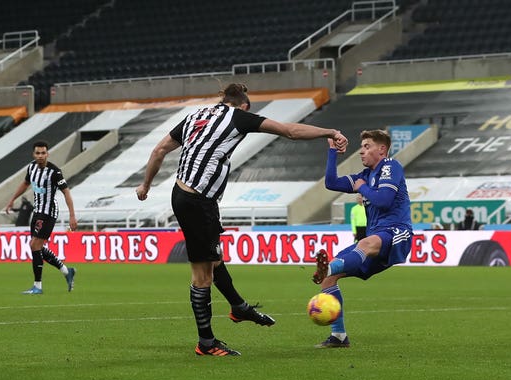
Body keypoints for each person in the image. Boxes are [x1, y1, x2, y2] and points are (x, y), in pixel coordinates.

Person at [136, 83, 348, 357]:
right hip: (196, 201)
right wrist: (330, 132)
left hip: (189, 196)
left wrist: (146, 186)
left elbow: (158, 151)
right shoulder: (238, 116)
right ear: (244, 105)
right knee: (202, 276)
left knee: (214, 259)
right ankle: (206, 343)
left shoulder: (196, 116)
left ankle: (238, 307)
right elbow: (290, 131)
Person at [312, 129, 412, 348]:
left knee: (364, 244)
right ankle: (338, 336)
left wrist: (363, 189)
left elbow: (384, 200)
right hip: (376, 238)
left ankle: (326, 269)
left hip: (397, 232)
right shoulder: (364, 177)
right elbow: (331, 183)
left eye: (367, 146)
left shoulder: (390, 166)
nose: (361, 152)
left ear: (382, 149)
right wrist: (332, 152)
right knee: (331, 277)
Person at [5, 141, 78, 294]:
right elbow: (25, 184)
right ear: (34, 154)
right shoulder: (31, 168)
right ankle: (67, 271)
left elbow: (66, 192)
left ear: (47, 154)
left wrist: (72, 216)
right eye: (37, 153)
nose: (40, 156)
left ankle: (38, 286)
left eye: (43, 153)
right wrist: (12, 200)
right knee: (36, 247)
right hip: (38, 211)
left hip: (49, 212)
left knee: (34, 246)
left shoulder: (54, 172)